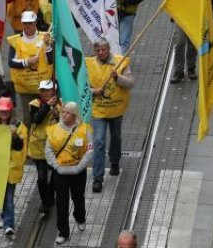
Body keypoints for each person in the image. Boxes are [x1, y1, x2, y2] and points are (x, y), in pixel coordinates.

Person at [87, 39, 135, 193]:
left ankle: (115, 161)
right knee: (99, 141)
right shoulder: (88, 65)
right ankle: (97, 178)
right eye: (98, 51)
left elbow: (131, 83)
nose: (101, 53)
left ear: (109, 49)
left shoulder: (121, 63)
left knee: (116, 137)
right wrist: (93, 92)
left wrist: (118, 78)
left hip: (116, 110)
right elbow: (81, 87)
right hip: (99, 111)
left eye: (104, 50)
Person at [45, 101, 92, 246]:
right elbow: (48, 150)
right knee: (62, 201)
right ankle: (63, 232)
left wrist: (80, 167)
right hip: (61, 172)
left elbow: (90, 149)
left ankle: (80, 217)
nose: (64, 114)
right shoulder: (53, 130)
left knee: (78, 197)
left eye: (67, 112)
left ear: (74, 115)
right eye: (63, 112)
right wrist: (56, 166)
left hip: (78, 171)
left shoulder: (84, 129)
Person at [0, 96, 27, 238]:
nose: (3, 114)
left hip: (10, 168)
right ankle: (5, 217)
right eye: (1, 111)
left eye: (6, 111)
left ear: (11, 112)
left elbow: (20, 147)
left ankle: (8, 225)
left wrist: (15, 136)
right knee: (2, 195)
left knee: (9, 197)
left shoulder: (19, 126)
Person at [7, 11, 53, 123]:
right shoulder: (15, 41)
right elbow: (11, 62)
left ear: (35, 23)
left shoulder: (45, 37)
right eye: (25, 23)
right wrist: (27, 62)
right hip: (25, 87)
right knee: (28, 119)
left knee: (47, 117)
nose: (27, 26)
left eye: (30, 23)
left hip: (43, 87)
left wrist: (47, 46)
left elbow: (51, 61)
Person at [28, 80, 60, 214]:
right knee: (41, 177)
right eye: (42, 90)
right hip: (39, 145)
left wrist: (58, 114)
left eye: (48, 90)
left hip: (55, 146)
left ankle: (51, 195)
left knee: (55, 173)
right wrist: (47, 105)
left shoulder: (61, 103)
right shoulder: (34, 104)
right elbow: (36, 118)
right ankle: (45, 201)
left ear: (54, 91)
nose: (45, 93)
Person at [167, 0, 198, 83]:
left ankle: (191, 68)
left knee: (192, 44)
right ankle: (178, 70)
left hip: (193, 15)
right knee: (179, 42)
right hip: (180, 15)